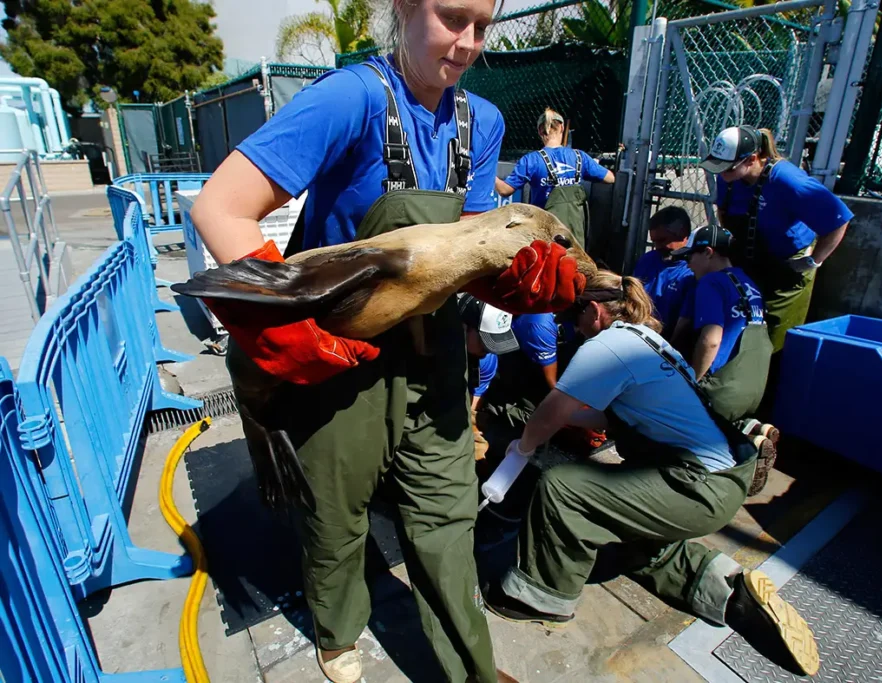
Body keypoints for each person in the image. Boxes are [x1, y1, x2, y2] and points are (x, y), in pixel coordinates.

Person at [188, 0, 585, 680]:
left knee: (446, 512)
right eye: (452, 18)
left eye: (482, 27)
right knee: (335, 513)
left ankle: (473, 670)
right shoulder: (350, 99)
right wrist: (281, 327)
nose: (467, 43)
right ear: (403, 8)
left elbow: (472, 245)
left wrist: (518, 286)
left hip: (434, 352)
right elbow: (218, 207)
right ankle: (338, 632)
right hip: (338, 349)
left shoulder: (480, 122)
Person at [480, 271, 820, 677]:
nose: (571, 326)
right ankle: (729, 594)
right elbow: (608, 413)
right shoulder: (648, 340)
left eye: (573, 316)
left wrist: (522, 447)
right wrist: (566, 410)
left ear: (594, 310)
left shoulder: (605, 346)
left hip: (695, 485)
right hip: (717, 476)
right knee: (623, 531)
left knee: (565, 487)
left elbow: (549, 415)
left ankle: (542, 596)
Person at [700, 125, 853, 353]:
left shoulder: (788, 181)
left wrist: (814, 260)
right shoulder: (729, 178)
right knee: (736, 327)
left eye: (727, 169)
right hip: (749, 258)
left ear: (751, 159)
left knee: (772, 340)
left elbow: (839, 219)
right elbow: (724, 210)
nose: (722, 175)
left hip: (785, 269)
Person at [670, 225, 776, 494]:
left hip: (726, 388)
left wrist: (691, 380)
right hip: (755, 386)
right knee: (721, 416)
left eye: (690, 256)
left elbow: (712, 339)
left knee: (674, 419)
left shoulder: (710, 282)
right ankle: (749, 430)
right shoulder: (748, 282)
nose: (688, 264)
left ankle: (742, 463)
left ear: (708, 252)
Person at [495, 107, 615, 246]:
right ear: (562, 128)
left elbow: (505, 190)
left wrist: (488, 173)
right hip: (574, 238)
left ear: (540, 131)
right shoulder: (580, 157)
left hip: (546, 235)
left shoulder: (531, 160)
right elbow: (610, 178)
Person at [459, 293, 520, 460]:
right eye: (485, 342)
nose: (490, 350)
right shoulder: (428, 348)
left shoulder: (487, 359)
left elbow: (473, 406)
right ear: (464, 327)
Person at [632, 205, 692, 285]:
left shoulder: (694, 270)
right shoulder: (647, 261)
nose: (658, 247)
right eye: (654, 241)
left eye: (662, 240)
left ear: (682, 234)